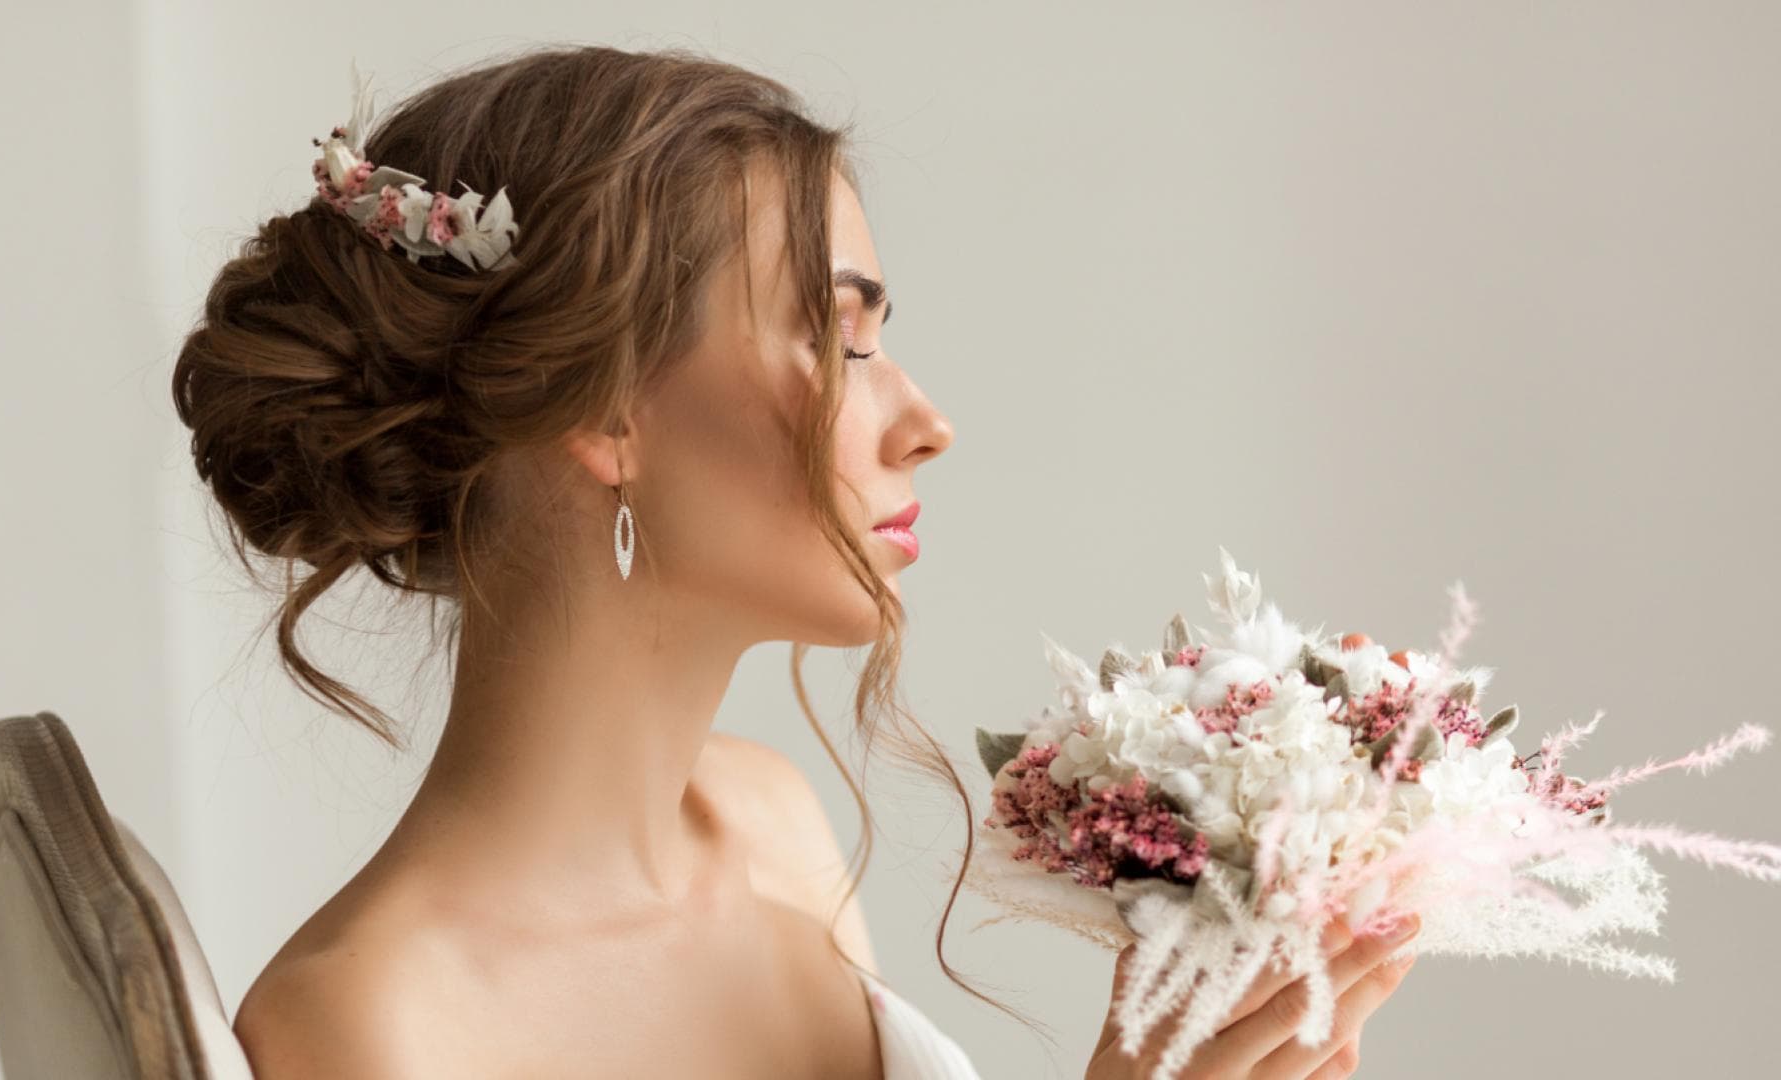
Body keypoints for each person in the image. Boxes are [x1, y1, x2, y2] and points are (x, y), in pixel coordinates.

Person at [170, 43, 1413, 1079]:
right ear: (603, 412)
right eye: (837, 336)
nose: (926, 421)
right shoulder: (380, 1029)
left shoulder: (768, 822)